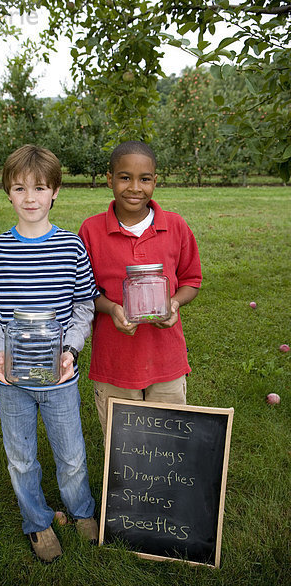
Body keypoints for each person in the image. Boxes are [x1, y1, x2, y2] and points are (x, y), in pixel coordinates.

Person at [0, 144, 99, 563]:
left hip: (59, 376)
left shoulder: (71, 248)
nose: (30, 198)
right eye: (20, 188)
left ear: (55, 191)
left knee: (72, 454)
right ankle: (38, 523)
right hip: (12, 380)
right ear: (8, 192)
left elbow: (84, 306)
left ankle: (81, 511)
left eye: (40, 188)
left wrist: (71, 350)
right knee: (21, 458)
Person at [78, 141, 202, 439]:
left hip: (166, 360)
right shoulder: (91, 231)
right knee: (125, 444)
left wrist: (173, 304)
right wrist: (112, 309)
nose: (135, 187)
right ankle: (128, 488)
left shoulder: (175, 226)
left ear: (155, 181)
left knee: (168, 441)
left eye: (144, 179)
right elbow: (83, 291)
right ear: (110, 179)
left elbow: (192, 280)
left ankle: (168, 487)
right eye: (124, 177)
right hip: (115, 362)